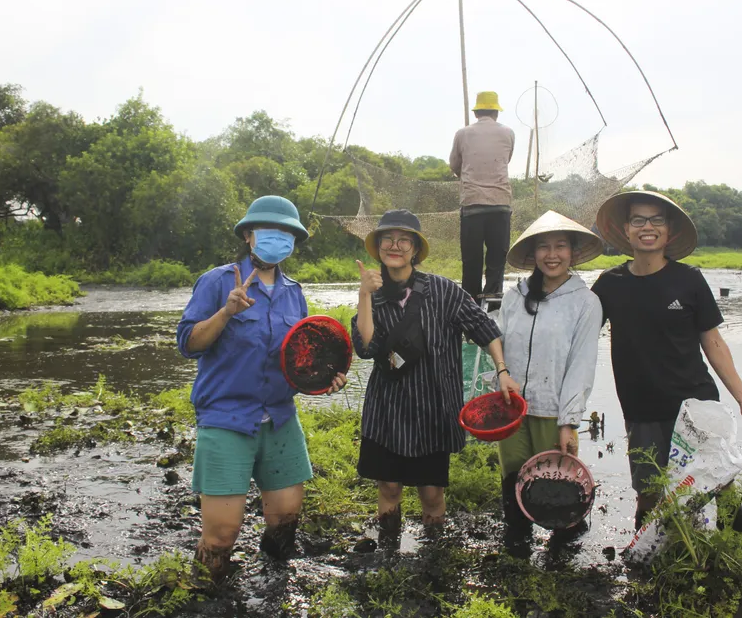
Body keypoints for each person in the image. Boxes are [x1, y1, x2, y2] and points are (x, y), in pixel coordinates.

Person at [176, 195, 346, 584]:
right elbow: (188, 344)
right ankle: (209, 595)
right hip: (227, 417)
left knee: (286, 520)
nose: (278, 239)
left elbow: (303, 359)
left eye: (286, 233)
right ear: (249, 236)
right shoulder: (218, 281)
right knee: (222, 535)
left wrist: (325, 378)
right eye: (269, 231)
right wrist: (226, 312)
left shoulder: (294, 292)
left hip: (280, 418)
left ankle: (273, 589)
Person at [591, 190, 742, 531]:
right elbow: (580, 336)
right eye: (639, 220)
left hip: (697, 403)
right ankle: (649, 568)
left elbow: (713, 342)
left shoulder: (688, 279)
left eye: (657, 220)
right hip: (641, 407)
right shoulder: (608, 285)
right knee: (648, 492)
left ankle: (736, 563)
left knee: (721, 485)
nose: (648, 227)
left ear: (668, 231)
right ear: (625, 229)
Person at [352, 209, 519, 544]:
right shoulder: (376, 294)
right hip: (387, 410)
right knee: (389, 487)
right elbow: (367, 347)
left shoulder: (443, 291)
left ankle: (435, 555)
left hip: (433, 411)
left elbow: (486, 330)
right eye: (388, 239)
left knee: (431, 494)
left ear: (415, 249)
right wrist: (364, 295)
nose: (395, 246)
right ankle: (388, 551)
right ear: (379, 247)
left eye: (404, 240)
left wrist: (501, 369)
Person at [496, 211, 604, 554]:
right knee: (514, 478)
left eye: (560, 246)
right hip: (512, 408)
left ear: (572, 253)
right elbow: (496, 338)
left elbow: (580, 365)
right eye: (544, 247)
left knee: (557, 482)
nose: (552, 254)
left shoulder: (585, 302)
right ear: (534, 254)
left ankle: (563, 554)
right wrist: (501, 374)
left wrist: (569, 422)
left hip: (552, 410)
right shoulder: (515, 296)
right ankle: (517, 544)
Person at [449, 91, 516, 307]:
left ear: (476, 112)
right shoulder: (508, 133)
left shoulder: (462, 133)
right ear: (496, 112)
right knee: (496, 261)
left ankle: (470, 308)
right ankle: (493, 307)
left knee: (472, 262)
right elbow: (507, 159)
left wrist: (470, 177)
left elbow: (454, 165)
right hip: (500, 205)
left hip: (472, 206)